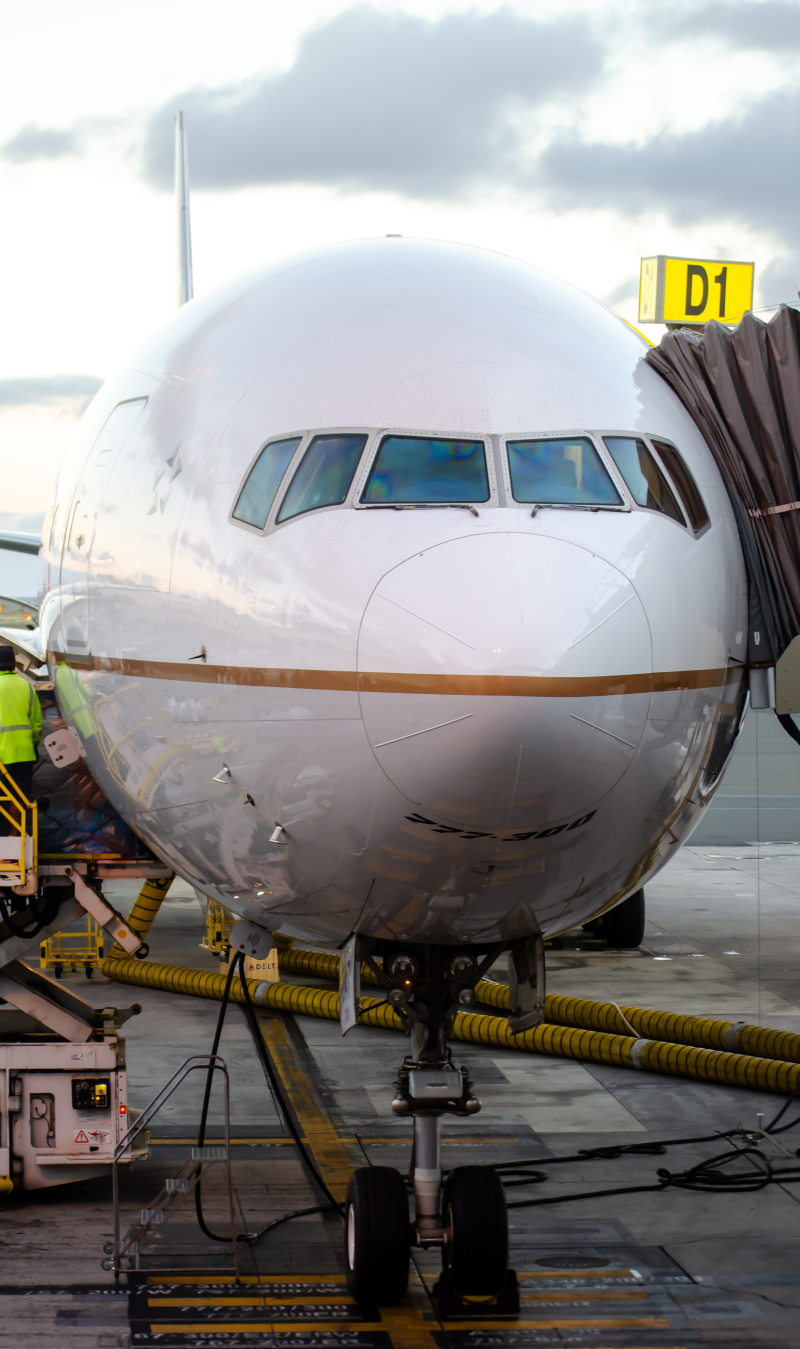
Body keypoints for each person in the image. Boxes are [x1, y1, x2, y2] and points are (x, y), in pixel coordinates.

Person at [0, 646, 42, 831]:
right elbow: (37, 722)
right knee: (18, 797)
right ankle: (14, 837)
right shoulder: (26, 687)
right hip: (24, 753)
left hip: (2, 753)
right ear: (13, 664)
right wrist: (33, 744)